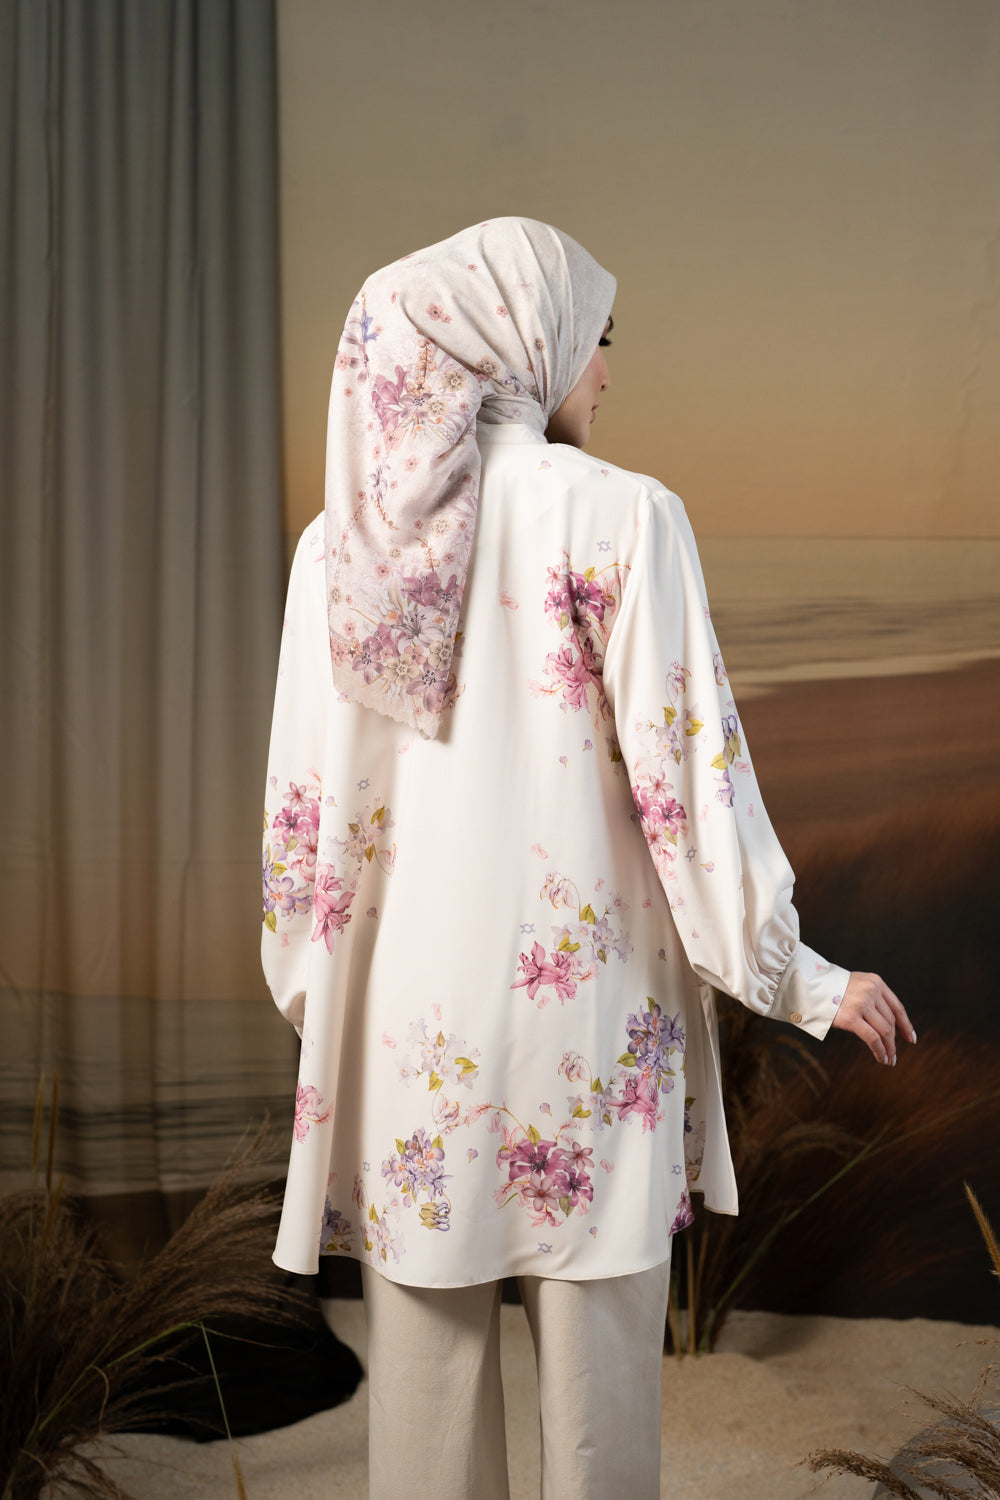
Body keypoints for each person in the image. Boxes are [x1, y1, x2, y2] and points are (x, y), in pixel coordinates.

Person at [261, 217, 914, 1500]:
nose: (607, 369)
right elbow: (689, 788)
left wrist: (322, 1004)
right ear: (527, 340)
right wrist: (797, 975)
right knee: (599, 1425)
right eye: (597, 337)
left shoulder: (334, 553)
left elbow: (301, 840)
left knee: (422, 1430)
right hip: (586, 1033)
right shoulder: (622, 515)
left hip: (408, 1038)